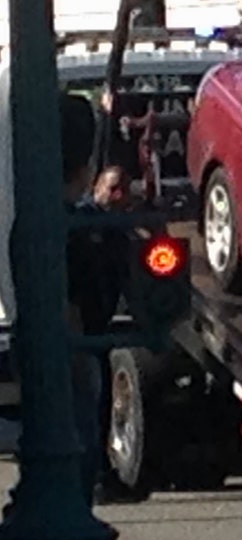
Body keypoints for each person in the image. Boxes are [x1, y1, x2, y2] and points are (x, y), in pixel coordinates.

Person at [61, 93, 131, 505]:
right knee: (82, 420)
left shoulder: (92, 225)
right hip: (81, 340)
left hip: (90, 336)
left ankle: (93, 480)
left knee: (90, 417)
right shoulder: (79, 226)